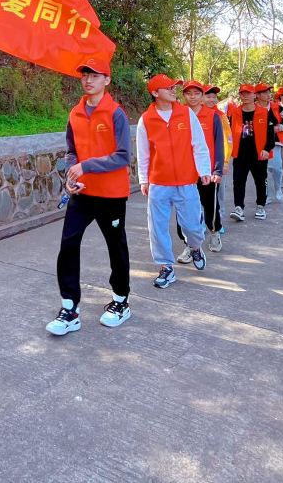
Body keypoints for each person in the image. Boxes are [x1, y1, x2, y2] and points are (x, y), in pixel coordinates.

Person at [46, 57, 133, 335]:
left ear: (106, 80)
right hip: (82, 194)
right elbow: (72, 150)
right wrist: (73, 173)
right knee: (68, 245)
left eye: (95, 75)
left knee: (115, 247)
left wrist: (87, 165)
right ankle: (70, 308)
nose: (88, 80)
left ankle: (121, 301)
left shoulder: (116, 113)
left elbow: (122, 156)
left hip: (111, 195)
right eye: (84, 75)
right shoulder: (75, 113)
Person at [137, 74, 212, 289]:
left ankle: (195, 247)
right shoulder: (146, 119)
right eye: (168, 87)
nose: (173, 90)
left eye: (173, 87)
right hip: (158, 183)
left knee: (192, 227)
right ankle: (165, 267)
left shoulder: (186, 114)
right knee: (157, 228)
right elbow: (143, 154)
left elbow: (199, 145)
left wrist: (203, 170)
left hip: (186, 181)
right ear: (154, 93)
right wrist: (144, 179)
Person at [175, 81, 224, 260]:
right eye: (189, 93)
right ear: (184, 95)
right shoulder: (177, 115)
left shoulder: (212, 116)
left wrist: (217, 170)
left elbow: (219, 144)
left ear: (202, 95)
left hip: (207, 171)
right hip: (184, 172)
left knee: (210, 206)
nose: (193, 96)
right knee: (184, 210)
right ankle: (189, 246)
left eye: (196, 93)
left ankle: (214, 232)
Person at [228, 84, 276, 222]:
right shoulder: (234, 113)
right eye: (242, 93)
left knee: (260, 181)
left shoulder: (264, 112)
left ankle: (260, 206)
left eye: (248, 93)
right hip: (240, 153)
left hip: (259, 153)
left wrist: (267, 149)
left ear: (254, 95)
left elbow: (270, 133)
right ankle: (239, 208)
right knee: (238, 181)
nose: (245, 96)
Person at [254, 83, 283, 205]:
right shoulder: (252, 108)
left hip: (274, 142)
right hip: (258, 143)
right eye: (264, 92)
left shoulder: (277, 107)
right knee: (262, 171)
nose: (268, 95)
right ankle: (267, 195)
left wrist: (281, 127)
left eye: (269, 92)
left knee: (277, 168)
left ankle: (278, 188)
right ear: (257, 95)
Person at [203, 84, 232, 231]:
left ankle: (218, 221)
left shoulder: (220, 116)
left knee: (218, 194)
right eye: (208, 96)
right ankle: (201, 222)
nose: (212, 100)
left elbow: (227, 140)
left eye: (214, 97)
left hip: (216, 163)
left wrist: (225, 163)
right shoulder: (191, 114)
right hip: (199, 164)